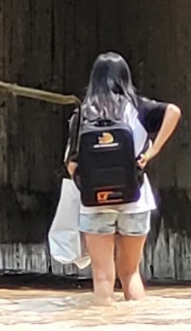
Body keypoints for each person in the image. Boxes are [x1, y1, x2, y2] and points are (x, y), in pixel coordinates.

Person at [65, 52, 180, 304]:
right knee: (130, 274)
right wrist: (151, 152)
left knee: (103, 277)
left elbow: (72, 165)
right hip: (135, 199)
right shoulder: (138, 108)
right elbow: (173, 111)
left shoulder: (82, 114)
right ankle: (135, 329)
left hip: (95, 203)